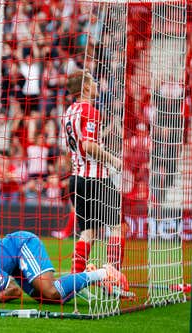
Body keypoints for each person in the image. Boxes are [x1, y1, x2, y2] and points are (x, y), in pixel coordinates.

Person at [61, 69, 132, 298]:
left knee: (87, 232)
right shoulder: (90, 111)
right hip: (96, 180)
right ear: (85, 87)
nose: (96, 84)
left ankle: (75, 283)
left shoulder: (68, 112)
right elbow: (90, 147)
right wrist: (114, 160)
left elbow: (74, 147)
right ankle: (113, 280)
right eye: (92, 81)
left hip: (76, 178)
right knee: (117, 228)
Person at [0, 231, 129, 303]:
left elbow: (14, 292)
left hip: (23, 245)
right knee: (52, 300)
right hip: (14, 266)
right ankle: (88, 274)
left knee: (51, 291)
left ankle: (104, 273)